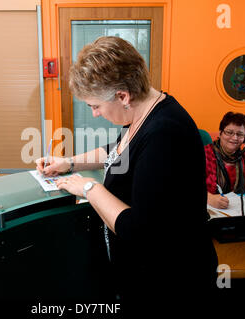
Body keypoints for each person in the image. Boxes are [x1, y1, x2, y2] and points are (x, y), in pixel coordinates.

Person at [36, 36, 218, 305]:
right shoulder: (146, 111)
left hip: (171, 282)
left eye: (95, 106)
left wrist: (88, 187)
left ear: (122, 96)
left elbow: (139, 230)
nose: (95, 113)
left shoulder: (165, 132)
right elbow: (121, 149)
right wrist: (68, 163)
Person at [205, 112, 245, 209]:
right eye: (229, 132)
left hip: (239, 212)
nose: (234, 138)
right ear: (220, 133)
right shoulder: (205, 154)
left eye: (240, 134)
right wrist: (208, 198)